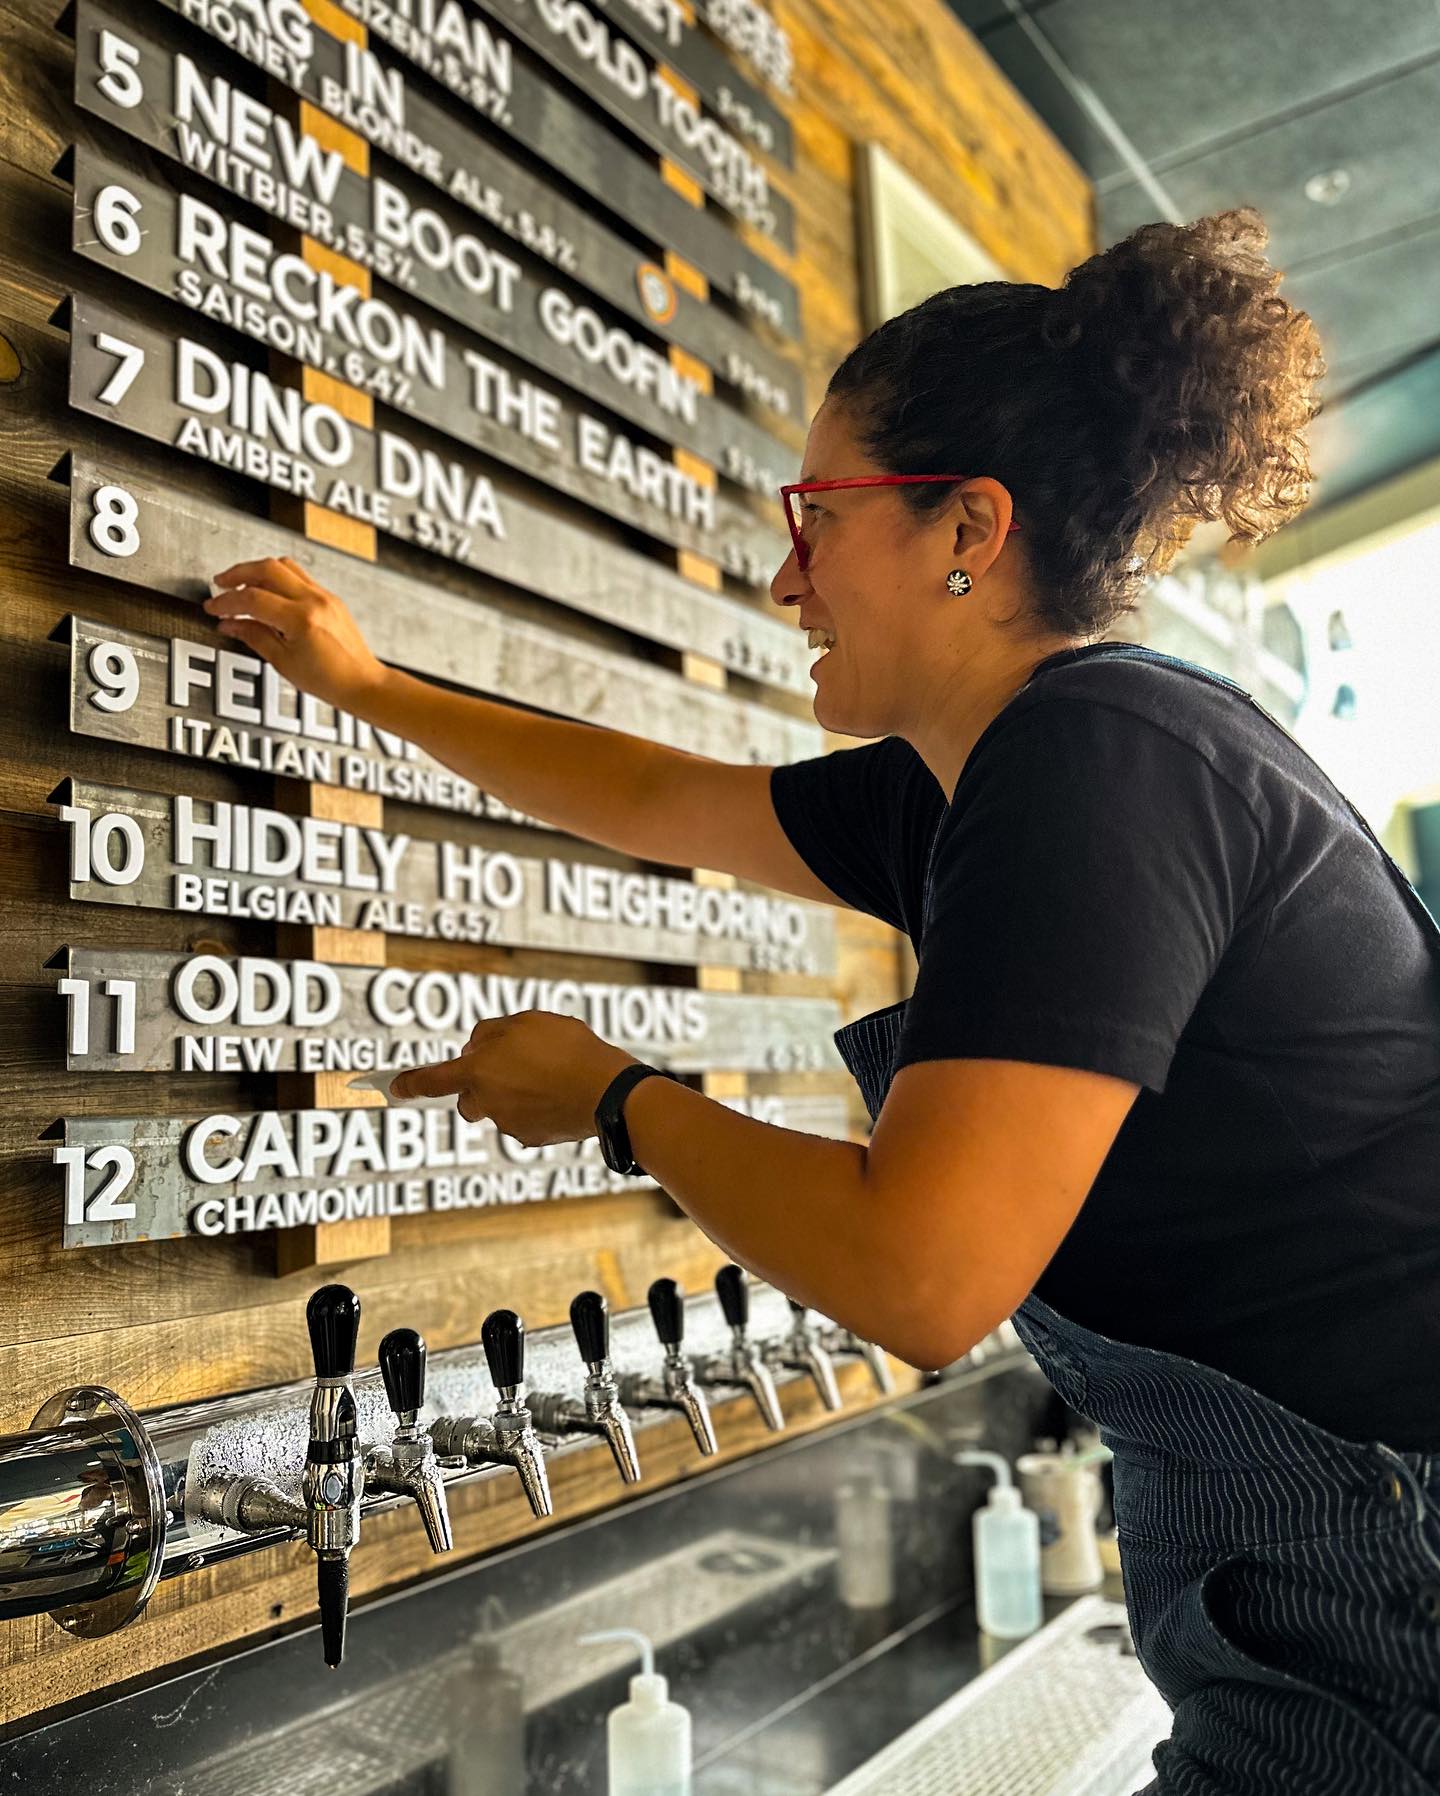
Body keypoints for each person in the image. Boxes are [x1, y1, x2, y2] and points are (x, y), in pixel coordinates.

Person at [205, 207, 1440, 1793]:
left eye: (816, 516)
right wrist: (367, 692)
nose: (787, 578)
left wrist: (615, 1101)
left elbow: (919, 1275)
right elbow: (663, 798)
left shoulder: (1093, 764)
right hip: (1314, 1549)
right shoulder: (986, 779)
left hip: (1379, 1567)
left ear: (966, 533)